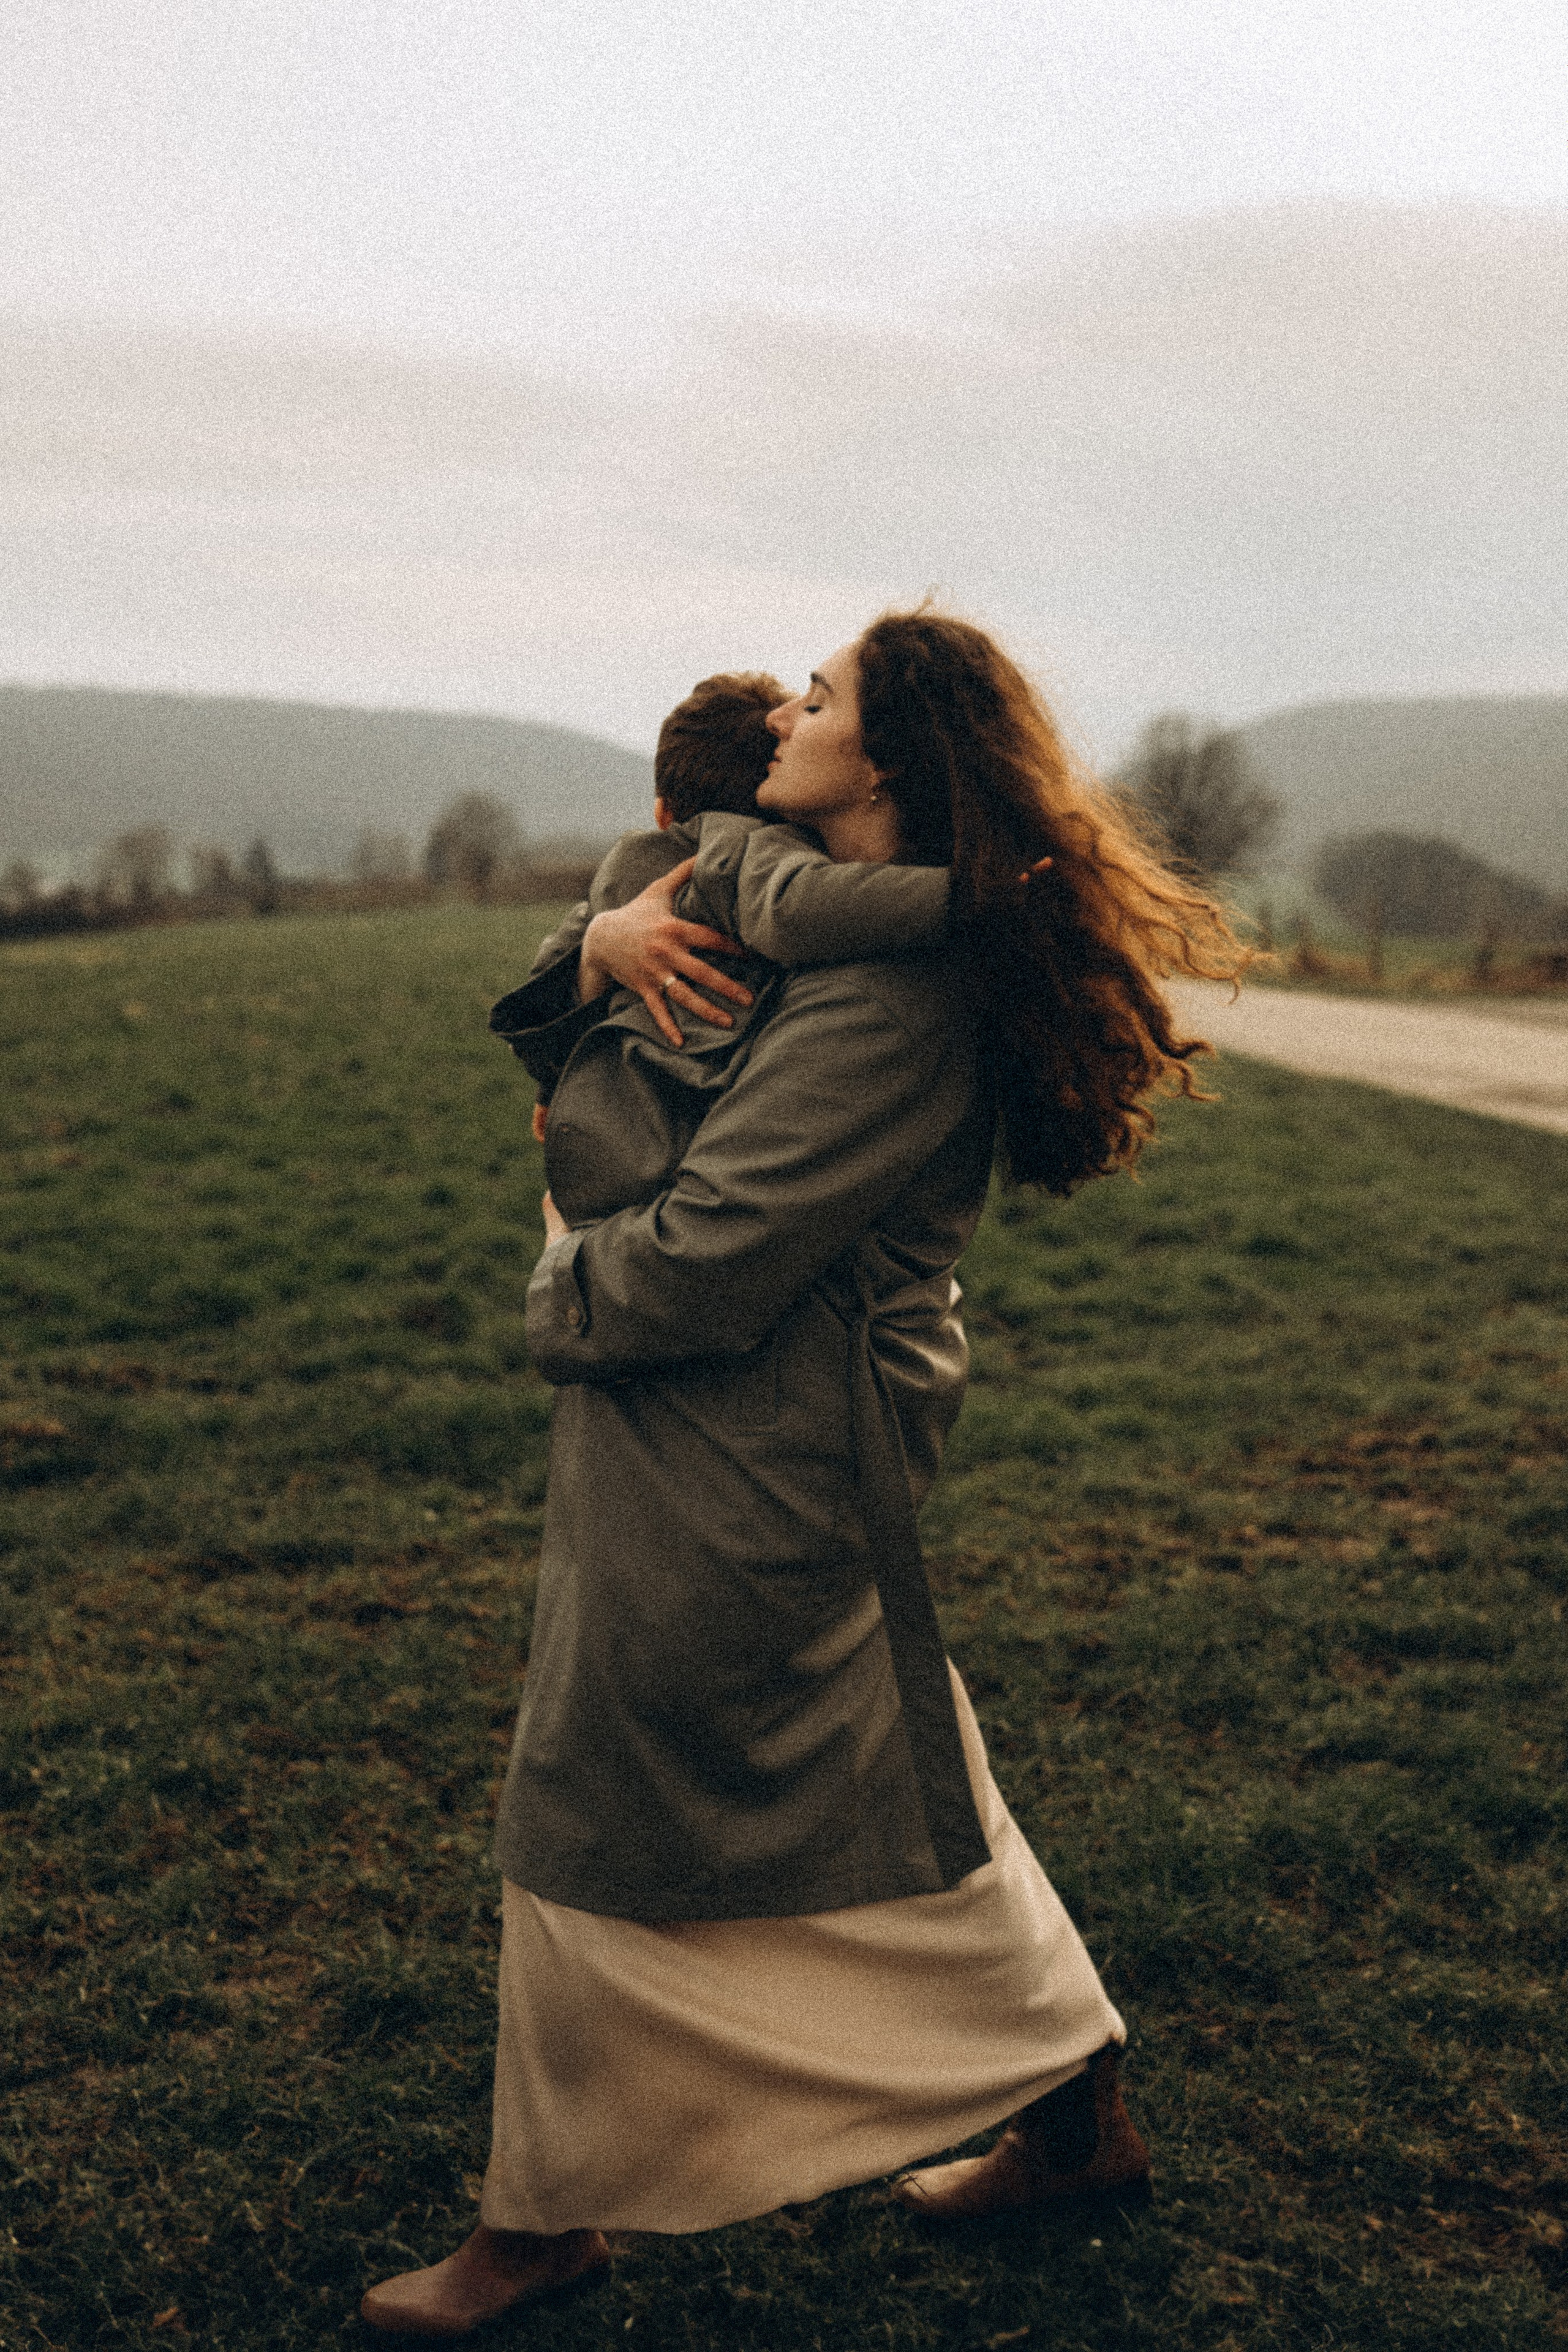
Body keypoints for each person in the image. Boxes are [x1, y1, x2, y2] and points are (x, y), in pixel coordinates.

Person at [360, 611, 1245, 2337]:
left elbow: (707, 1252)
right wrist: (599, 946)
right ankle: (1077, 2119)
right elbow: (625, 1052)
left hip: (756, 1442)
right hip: (725, 1426)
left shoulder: (898, 997)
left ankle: (539, 2225)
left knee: (596, 1778)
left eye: (823, 697)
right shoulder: (791, 911)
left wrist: (560, 1271)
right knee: (892, 1770)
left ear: (890, 758)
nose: (788, 711)